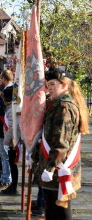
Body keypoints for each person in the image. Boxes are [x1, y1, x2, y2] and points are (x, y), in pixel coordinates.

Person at [31, 68, 89, 220]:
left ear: (64, 85)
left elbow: (61, 142)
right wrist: (35, 155)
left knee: (61, 210)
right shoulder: (56, 104)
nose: (49, 88)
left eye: (52, 84)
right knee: (51, 208)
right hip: (54, 166)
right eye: (48, 85)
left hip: (59, 168)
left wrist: (49, 168)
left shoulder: (64, 107)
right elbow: (48, 135)